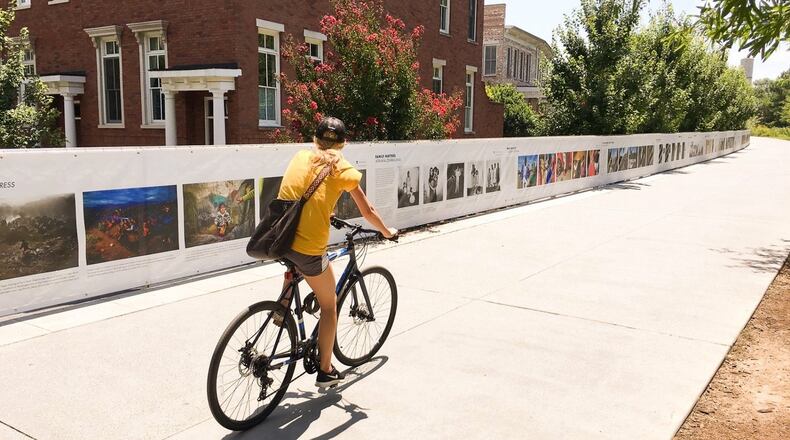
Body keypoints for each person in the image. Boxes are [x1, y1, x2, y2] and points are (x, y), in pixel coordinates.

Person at [276, 117, 398, 388]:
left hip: (280, 238)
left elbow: (295, 193)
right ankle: (326, 370)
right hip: (308, 248)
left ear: (314, 138)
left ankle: (281, 306)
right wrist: (387, 231)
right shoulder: (342, 168)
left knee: (298, 265)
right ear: (344, 144)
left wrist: (323, 211)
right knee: (329, 306)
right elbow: (367, 211)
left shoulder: (300, 156)